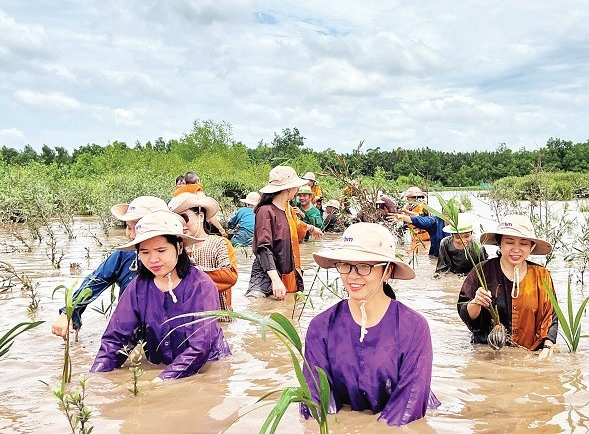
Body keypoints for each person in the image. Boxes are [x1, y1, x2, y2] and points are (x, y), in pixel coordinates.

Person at [301, 223, 440, 426]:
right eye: (345, 265)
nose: (352, 275)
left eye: (364, 267)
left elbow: (408, 409)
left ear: (387, 271)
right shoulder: (320, 327)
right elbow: (316, 405)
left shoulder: (414, 327)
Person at [90, 210, 230, 380]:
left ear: (179, 247)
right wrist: (96, 378)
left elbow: (200, 347)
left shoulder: (201, 286)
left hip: (207, 368)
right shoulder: (138, 287)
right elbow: (115, 340)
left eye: (161, 250)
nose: (153, 259)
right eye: (145, 252)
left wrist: (161, 380)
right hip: (162, 367)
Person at [51, 195, 168, 338]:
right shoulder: (124, 255)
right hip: (130, 332)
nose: (130, 235)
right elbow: (95, 281)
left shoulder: (178, 261)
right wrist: (68, 312)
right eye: (128, 227)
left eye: (136, 228)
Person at [457, 214, 558, 356]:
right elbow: (464, 311)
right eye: (509, 242)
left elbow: (551, 316)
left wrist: (547, 347)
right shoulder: (482, 271)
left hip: (529, 355)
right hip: (488, 354)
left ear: (531, 247)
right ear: (500, 243)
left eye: (523, 243)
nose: (516, 249)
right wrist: (476, 302)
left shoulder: (541, 275)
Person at [247, 166, 322, 299]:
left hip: (283, 274)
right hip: (266, 276)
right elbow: (263, 247)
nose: (297, 191)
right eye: (296, 187)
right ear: (288, 189)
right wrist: (275, 280)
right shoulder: (266, 211)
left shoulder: (286, 210)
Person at [169, 192, 238, 313]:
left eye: (185, 217)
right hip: (185, 318)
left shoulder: (219, 243)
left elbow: (230, 277)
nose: (182, 224)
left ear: (200, 216)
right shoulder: (173, 248)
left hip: (218, 317)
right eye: (177, 219)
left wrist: (193, 271)